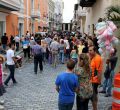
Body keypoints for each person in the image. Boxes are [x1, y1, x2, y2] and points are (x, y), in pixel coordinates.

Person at [89, 46, 103, 110]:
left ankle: (95, 108)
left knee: (93, 95)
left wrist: (99, 81)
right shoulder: (93, 57)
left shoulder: (97, 58)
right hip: (92, 80)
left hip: (94, 80)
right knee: (94, 94)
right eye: (89, 50)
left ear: (95, 51)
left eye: (91, 50)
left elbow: (98, 71)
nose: (89, 52)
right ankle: (95, 107)